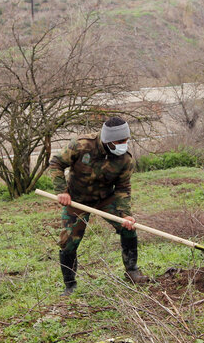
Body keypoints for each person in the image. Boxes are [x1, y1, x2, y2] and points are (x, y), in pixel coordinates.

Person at [48, 116, 145, 296]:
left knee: (129, 229)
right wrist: (62, 191)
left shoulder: (125, 160)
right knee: (68, 242)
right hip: (76, 200)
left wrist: (125, 214)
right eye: (120, 141)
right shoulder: (81, 145)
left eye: (126, 140)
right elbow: (56, 163)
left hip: (105, 199)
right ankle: (70, 285)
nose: (124, 144)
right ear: (108, 140)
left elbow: (123, 188)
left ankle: (132, 271)